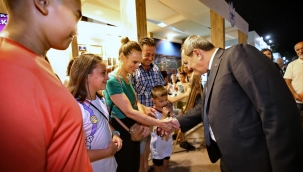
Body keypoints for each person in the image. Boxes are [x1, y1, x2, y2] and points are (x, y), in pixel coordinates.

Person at [165, 35, 303, 171]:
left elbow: (275, 109)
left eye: (187, 62)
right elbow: (205, 106)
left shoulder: (237, 54)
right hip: (229, 156)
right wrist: (178, 122)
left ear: (197, 53)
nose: (187, 68)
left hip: (252, 157)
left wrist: (284, 165)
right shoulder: (212, 71)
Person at [0, 0, 92, 171]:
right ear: (43, 2)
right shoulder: (11, 69)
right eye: (76, 15)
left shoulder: (32, 63)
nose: (76, 29)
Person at [104, 37, 170, 172]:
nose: (136, 66)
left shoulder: (127, 77)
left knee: (135, 163)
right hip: (121, 129)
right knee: (126, 165)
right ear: (122, 57)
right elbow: (128, 111)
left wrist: (143, 122)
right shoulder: (113, 80)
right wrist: (158, 123)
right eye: (134, 62)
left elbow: (136, 103)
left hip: (133, 127)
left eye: (138, 62)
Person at [68, 54, 122, 171]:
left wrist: (115, 133)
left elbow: (104, 122)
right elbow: (76, 154)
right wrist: (107, 151)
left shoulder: (100, 99)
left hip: (110, 166)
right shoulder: (76, 108)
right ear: (86, 77)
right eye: (103, 73)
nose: (107, 77)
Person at [131, 36, 166, 172]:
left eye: (153, 55)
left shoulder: (156, 69)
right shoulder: (134, 70)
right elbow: (131, 97)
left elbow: (161, 90)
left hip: (155, 118)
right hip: (140, 119)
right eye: (147, 55)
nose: (150, 58)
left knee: (151, 151)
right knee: (141, 154)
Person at [150, 85, 174, 172]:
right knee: (158, 166)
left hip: (167, 142)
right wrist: (164, 116)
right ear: (153, 100)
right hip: (157, 145)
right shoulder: (152, 113)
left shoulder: (167, 109)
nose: (164, 103)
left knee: (166, 163)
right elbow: (156, 130)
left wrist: (171, 115)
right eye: (161, 101)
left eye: (166, 100)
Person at [284, 41, 303, 115]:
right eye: (298, 50)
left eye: (302, 48)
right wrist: (294, 94)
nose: (301, 51)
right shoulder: (292, 65)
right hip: (297, 100)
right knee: (295, 120)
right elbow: (287, 81)